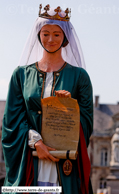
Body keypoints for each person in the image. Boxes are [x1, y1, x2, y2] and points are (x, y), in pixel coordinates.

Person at [2, 4, 93, 194]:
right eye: (45, 33)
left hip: (64, 163)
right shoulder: (21, 75)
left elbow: (87, 123)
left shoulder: (80, 77)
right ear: (38, 35)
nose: (50, 39)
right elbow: (12, 121)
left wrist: (69, 107)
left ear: (65, 38)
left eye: (57, 34)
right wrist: (36, 142)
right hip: (30, 160)